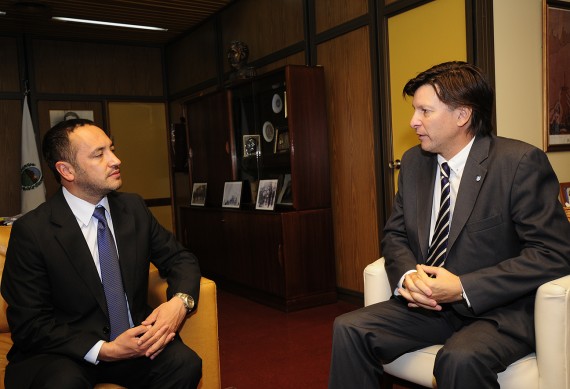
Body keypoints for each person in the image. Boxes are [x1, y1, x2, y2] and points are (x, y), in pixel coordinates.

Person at [328, 61, 570, 389]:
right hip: (430, 306)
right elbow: (395, 234)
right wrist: (406, 277)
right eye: (415, 110)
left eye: (425, 111)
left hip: (500, 309)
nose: (414, 122)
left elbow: (553, 253)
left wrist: (464, 287)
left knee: (458, 358)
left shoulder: (518, 164)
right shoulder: (414, 163)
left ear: (462, 116)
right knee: (350, 328)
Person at [1, 119, 202, 388]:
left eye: (112, 149)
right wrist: (104, 350)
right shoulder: (33, 231)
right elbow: (30, 323)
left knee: (185, 364)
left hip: (136, 342)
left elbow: (180, 259)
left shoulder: (133, 209)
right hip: (66, 351)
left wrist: (180, 302)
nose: (116, 160)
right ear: (67, 170)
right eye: (99, 154)